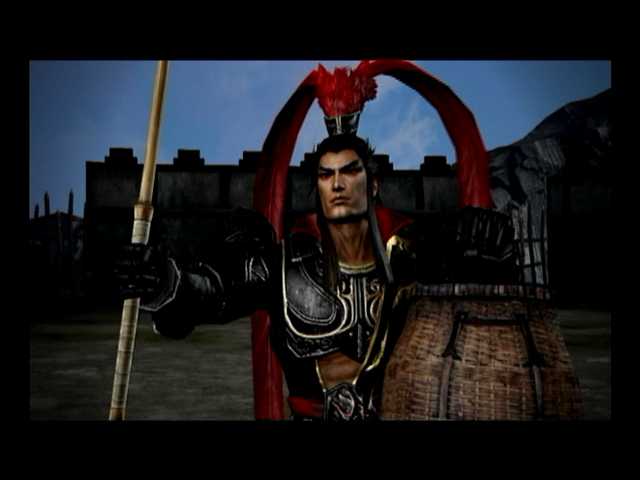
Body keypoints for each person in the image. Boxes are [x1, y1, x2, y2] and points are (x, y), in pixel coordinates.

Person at [116, 60, 517, 421]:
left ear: (373, 184)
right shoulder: (284, 265)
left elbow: (483, 305)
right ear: (318, 187)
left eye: (350, 171)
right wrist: (165, 281)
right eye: (326, 175)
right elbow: (214, 291)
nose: (338, 184)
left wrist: (490, 247)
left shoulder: (416, 255)